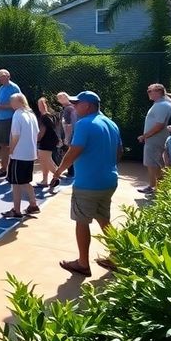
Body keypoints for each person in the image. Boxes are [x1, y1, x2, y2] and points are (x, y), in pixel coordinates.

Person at [50, 91, 122, 278]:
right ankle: (117, 256)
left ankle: (83, 264)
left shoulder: (84, 124)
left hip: (88, 184)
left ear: (88, 106)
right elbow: (119, 150)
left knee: (81, 222)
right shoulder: (110, 123)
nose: (74, 106)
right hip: (109, 181)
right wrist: (107, 166)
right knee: (103, 219)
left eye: (77, 103)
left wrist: (58, 171)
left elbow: (74, 151)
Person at [3, 93, 41, 218]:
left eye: (12, 101)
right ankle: (33, 204)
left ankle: (16, 210)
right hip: (30, 154)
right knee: (25, 181)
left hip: (19, 155)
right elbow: (37, 133)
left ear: (19, 102)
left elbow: (16, 135)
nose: (11, 103)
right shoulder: (31, 115)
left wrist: (11, 151)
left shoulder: (18, 115)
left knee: (16, 184)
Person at [138, 83, 171, 194]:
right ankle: (154, 187)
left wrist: (145, 136)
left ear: (158, 91)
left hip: (155, 139)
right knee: (154, 163)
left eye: (150, 91)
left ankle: (158, 188)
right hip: (155, 139)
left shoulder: (162, 105)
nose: (148, 93)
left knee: (155, 164)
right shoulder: (161, 104)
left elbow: (160, 125)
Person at [0, 69, 21, 180]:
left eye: (0, 77)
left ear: (7, 76)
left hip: (10, 119)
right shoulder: (0, 89)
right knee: (3, 144)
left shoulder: (14, 88)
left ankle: (10, 169)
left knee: (10, 145)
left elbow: (17, 105)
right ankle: (4, 169)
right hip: (1, 120)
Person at [36, 97, 61, 187]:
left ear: (46, 105)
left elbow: (42, 131)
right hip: (51, 140)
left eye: (42, 104)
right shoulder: (51, 115)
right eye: (39, 104)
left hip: (47, 141)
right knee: (46, 160)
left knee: (45, 159)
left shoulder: (44, 117)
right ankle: (45, 180)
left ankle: (57, 176)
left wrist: (37, 139)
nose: (41, 106)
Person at [56, 92, 77, 179]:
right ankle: (71, 171)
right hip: (71, 134)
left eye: (60, 98)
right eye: (58, 98)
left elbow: (68, 124)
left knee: (68, 153)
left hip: (70, 135)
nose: (58, 100)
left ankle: (71, 172)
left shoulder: (68, 109)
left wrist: (67, 138)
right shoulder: (70, 108)